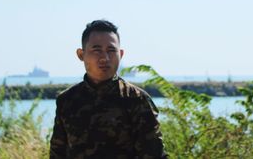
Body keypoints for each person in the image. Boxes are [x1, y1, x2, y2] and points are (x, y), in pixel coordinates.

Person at [50, 20, 167, 158]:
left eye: (111, 50)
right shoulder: (67, 101)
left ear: (121, 54)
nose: (105, 58)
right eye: (97, 50)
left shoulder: (137, 100)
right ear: (81, 54)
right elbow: (57, 154)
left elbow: (154, 154)